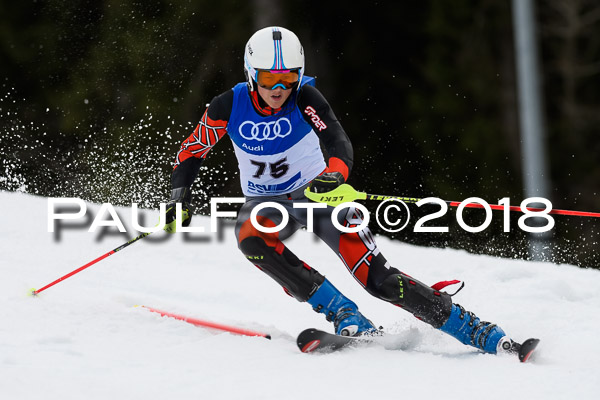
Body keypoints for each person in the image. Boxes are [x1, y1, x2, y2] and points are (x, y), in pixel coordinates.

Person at [164, 26, 519, 354]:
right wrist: (179, 196)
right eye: (269, 77)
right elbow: (192, 150)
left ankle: (475, 329)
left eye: (288, 78)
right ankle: (346, 316)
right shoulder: (228, 106)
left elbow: (336, 140)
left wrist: (334, 175)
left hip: (317, 196)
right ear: (250, 74)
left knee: (377, 279)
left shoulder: (305, 98)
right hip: (265, 202)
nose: (278, 88)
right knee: (251, 239)